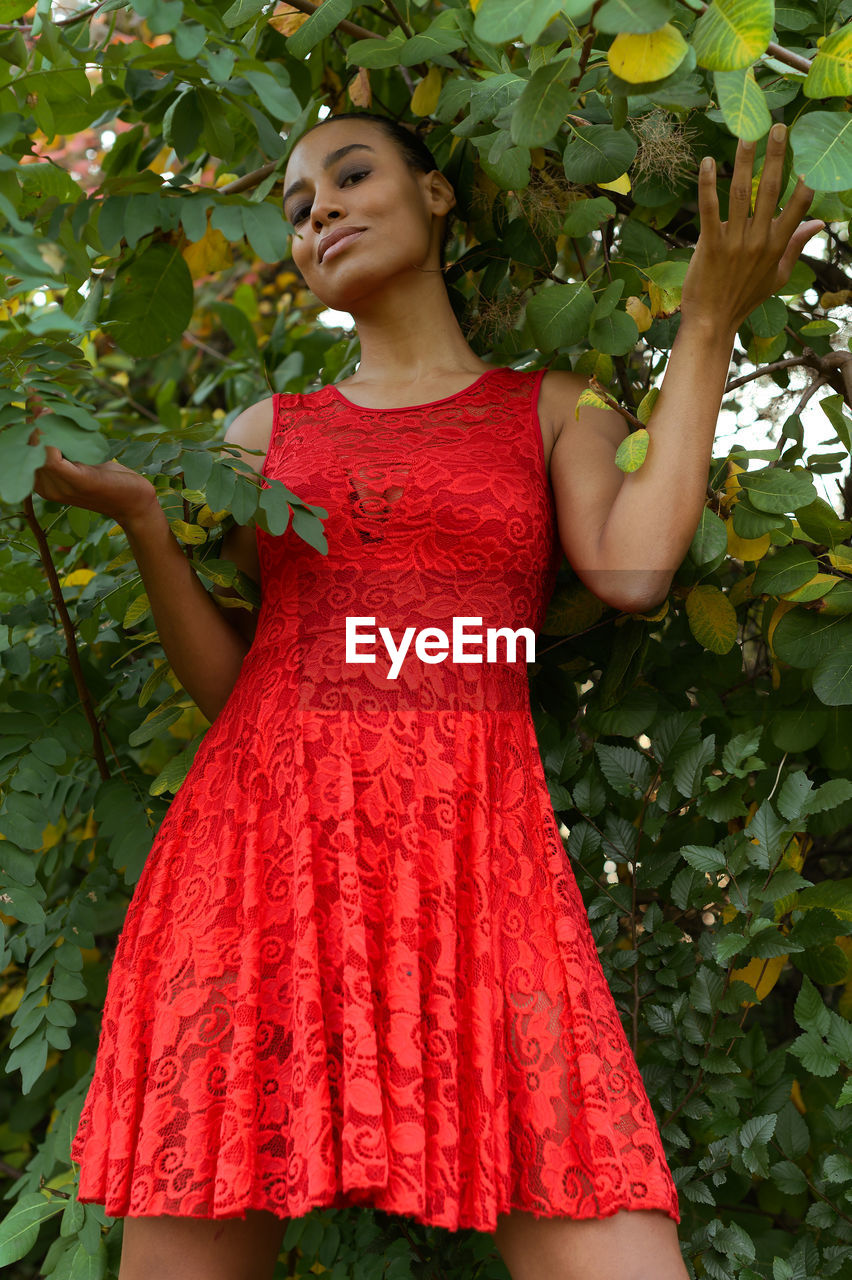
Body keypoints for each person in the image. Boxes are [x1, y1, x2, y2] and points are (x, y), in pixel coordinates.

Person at [30, 109, 822, 1280]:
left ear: (439, 194)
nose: (322, 213)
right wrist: (149, 519)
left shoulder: (551, 406)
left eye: (351, 176)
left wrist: (706, 321)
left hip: (477, 861)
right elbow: (244, 686)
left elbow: (636, 570)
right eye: (299, 208)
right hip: (258, 861)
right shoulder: (264, 436)